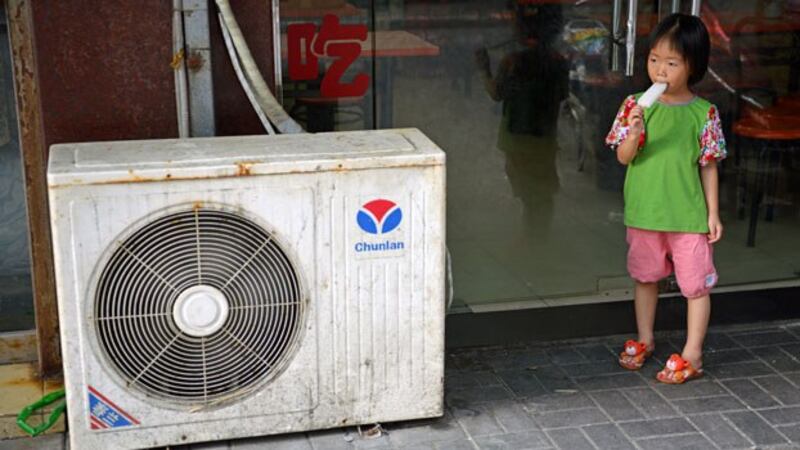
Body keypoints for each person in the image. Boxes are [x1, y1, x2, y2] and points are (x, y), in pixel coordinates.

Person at [605, 13, 726, 384]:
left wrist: (713, 213)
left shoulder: (704, 113)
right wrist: (634, 130)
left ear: (693, 66)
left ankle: (693, 353)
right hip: (645, 212)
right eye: (654, 59)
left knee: (695, 286)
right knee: (645, 277)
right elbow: (624, 158)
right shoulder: (634, 105)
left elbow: (708, 165)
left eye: (671, 63)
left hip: (687, 215)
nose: (660, 70)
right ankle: (645, 338)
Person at [475, 3, 568, 231]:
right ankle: (539, 231)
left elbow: (496, 93)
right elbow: (562, 96)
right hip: (545, 136)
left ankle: (533, 231)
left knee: (526, 185)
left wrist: (484, 68)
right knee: (542, 186)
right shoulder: (558, 62)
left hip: (517, 137)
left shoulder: (513, 62)